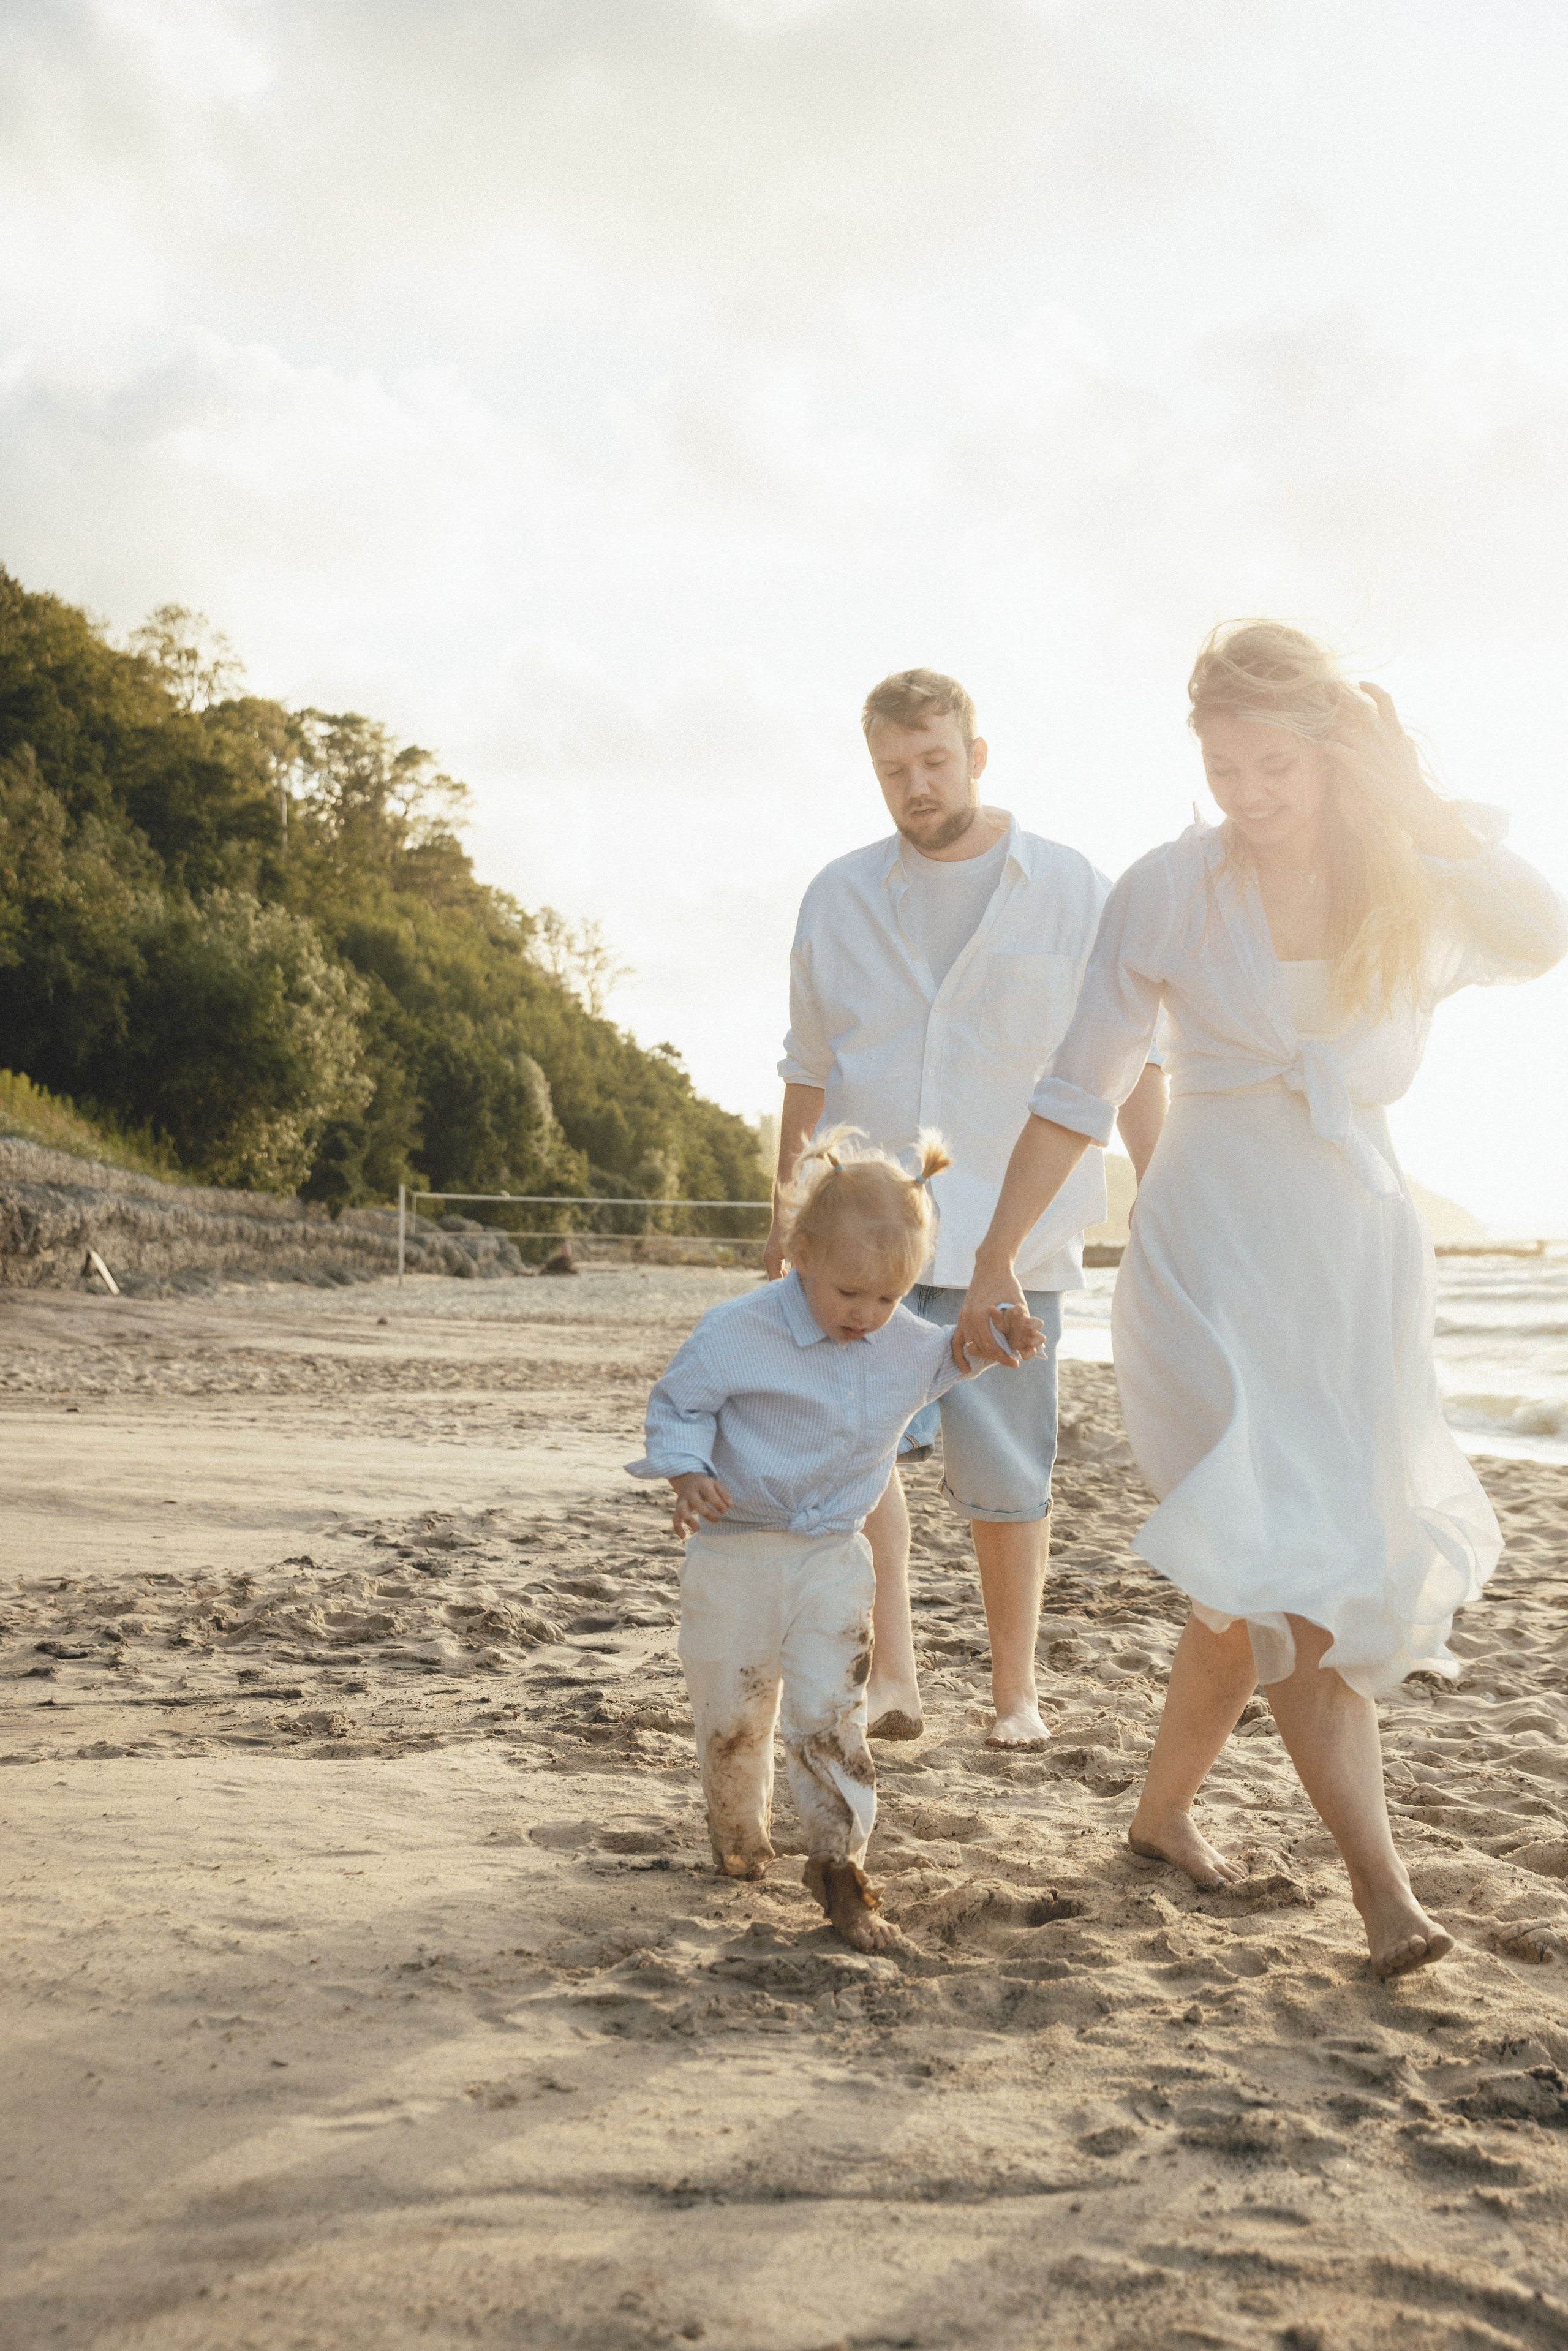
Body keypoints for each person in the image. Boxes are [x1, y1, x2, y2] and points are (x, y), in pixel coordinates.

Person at [954, 621, 1568, 1977]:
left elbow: (1542, 932)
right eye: (1223, 764)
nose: (1247, 790)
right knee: (1287, 1579)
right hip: (1204, 1264)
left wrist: (1403, 794)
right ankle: (1383, 1895)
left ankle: (1160, 1812)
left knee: (1247, 1577)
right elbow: (1077, 1086)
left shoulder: (1411, 884)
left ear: (1332, 751)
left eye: (1275, 761)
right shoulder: (1169, 889)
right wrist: (995, 1251)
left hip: (1352, 1270)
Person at [767, 668, 1167, 1749]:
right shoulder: (836, 895)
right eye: (894, 770)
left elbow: (1130, 1063)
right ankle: (892, 1671)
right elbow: (807, 1065)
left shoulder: (1074, 888)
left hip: (1018, 1236)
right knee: (859, 1460)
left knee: (1006, 1474)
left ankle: (1014, 1694)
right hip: (860, 1236)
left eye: (934, 761)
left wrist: (1165, 1205)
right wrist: (783, 1217)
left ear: (977, 755)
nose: (916, 785)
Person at [629, 1131, 1046, 1950]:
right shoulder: (738, 1331)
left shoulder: (898, 1339)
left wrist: (1005, 1339)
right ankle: (739, 1840)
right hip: (734, 1553)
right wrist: (687, 1474)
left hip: (831, 1558)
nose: (867, 1315)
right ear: (798, 1253)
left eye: (889, 1297)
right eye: (850, 1292)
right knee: (733, 1711)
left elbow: (955, 1351)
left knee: (831, 1711)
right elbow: (677, 1404)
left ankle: (837, 1860)